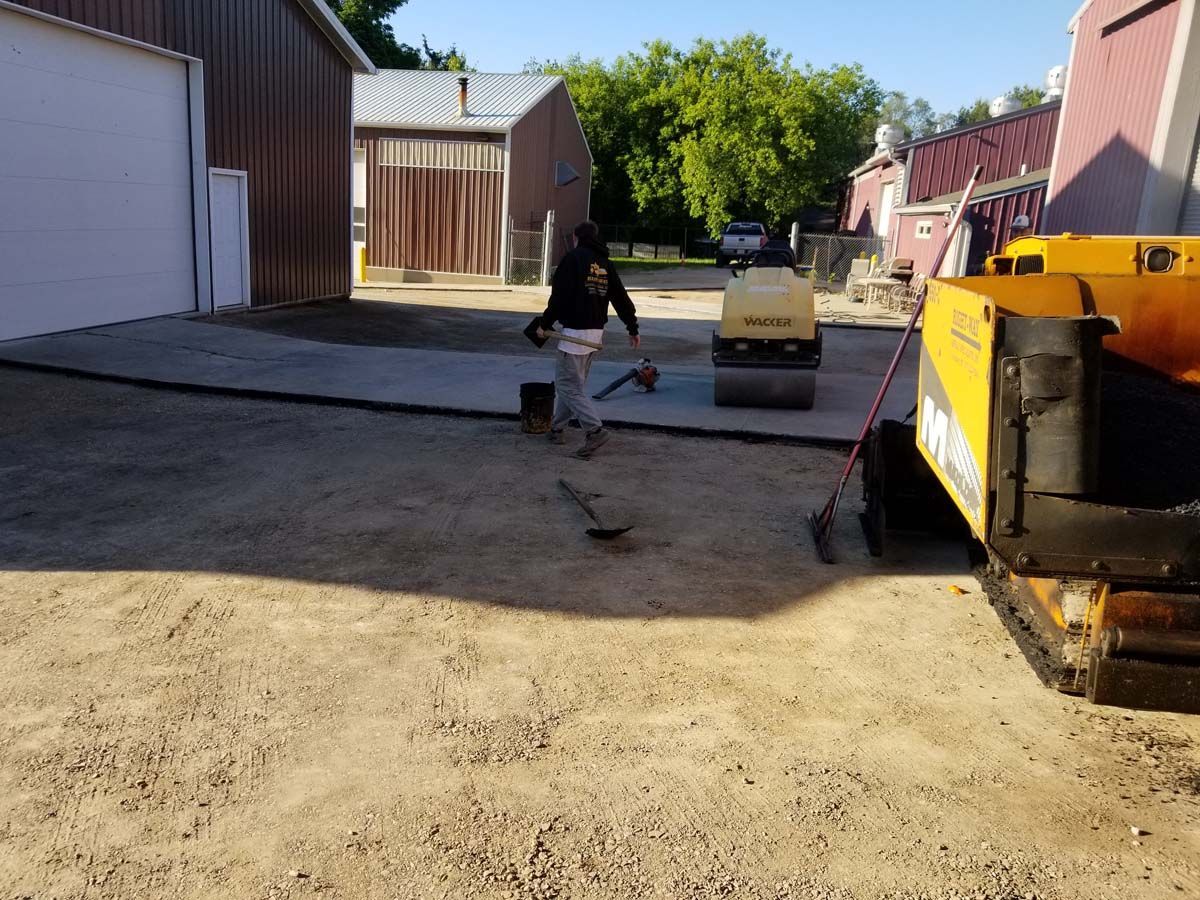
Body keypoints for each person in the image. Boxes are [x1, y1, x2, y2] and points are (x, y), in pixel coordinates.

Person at [537, 220, 640, 458]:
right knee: (573, 386)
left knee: (567, 386)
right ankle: (557, 429)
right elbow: (620, 297)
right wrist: (632, 327)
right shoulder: (604, 263)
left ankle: (595, 431)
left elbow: (559, 297)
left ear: (576, 237)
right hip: (594, 334)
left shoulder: (573, 259)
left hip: (574, 334)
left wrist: (544, 324)